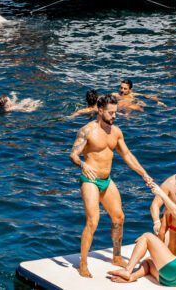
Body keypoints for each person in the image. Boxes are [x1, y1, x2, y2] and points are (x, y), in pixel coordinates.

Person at [70, 94, 152, 278]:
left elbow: (128, 155)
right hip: (90, 180)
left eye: (116, 112)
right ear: (100, 111)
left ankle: (116, 256)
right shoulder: (87, 130)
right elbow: (73, 155)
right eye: (111, 112)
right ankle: (83, 263)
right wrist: (83, 165)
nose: (115, 116)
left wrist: (144, 174)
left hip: (106, 180)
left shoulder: (116, 132)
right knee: (93, 221)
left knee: (119, 217)